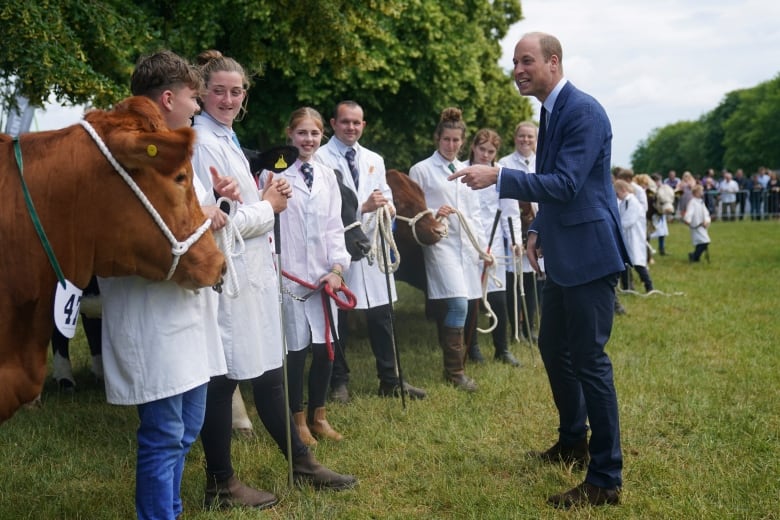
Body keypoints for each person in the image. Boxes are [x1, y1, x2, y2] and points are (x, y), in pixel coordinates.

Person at [450, 32, 627, 508]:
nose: (517, 70)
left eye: (526, 61)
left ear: (553, 61)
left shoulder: (582, 111)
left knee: (590, 361)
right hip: (562, 252)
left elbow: (568, 183)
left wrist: (499, 177)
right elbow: (560, 185)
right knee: (552, 345)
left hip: (589, 255)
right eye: (515, 62)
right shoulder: (551, 112)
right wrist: (538, 229)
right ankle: (573, 440)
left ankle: (605, 478)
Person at [191, 51, 356, 509]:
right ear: (202, 93)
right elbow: (213, 222)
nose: (227, 98)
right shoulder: (203, 142)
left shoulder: (225, 136)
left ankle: (300, 462)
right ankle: (220, 483)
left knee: (267, 373)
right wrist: (269, 206)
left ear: (245, 96)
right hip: (231, 278)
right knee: (224, 380)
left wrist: (266, 197)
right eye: (218, 90)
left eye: (236, 91)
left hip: (253, 276)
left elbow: (237, 206)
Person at [98, 49, 236, 520]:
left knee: (186, 428)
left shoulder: (168, 148)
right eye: (195, 99)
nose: (199, 108)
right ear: (169, 97)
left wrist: (216, 206)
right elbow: (152, 232)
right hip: (152, 314)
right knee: (163, 431)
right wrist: (207, 220)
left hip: (188, 315)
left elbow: (184, 216)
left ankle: (169, 511)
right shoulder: (128, 154)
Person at [315, 100, 426, 401]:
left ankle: (390, 380)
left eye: (357, 122)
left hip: (374, 247)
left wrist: (386, 207)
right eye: (345, 122)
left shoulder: (374, 159)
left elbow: (386, 196)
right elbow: (322, 205)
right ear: (333, 123)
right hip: (340, 247)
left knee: (382, 315)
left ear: (363, 125)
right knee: (338, 315)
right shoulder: (321, 158)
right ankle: (339, 382)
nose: (351, 127)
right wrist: (363, 208)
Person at [260, 107, 352, 447]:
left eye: (314, 134)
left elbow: (334, 226)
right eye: (302, 133)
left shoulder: (327, 176)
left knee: (326, 348)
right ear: (290, 134)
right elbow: (266, 222)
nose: (308, 140)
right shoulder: (274, 174)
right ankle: (297, 419)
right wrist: (272, 266)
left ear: (321, 136)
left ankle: (319, 415)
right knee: (296, 351)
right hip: (290, 278)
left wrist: (338, 269)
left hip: (324, 279)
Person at [410, 107, 488, 392]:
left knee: (468, 304)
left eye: (456, 141)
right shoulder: (422, 170)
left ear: (462, 142)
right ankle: (455, 373)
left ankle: (458, 365)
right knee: (457, 302)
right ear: (437, 138)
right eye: (447, 140)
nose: (451, 145)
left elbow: (475, 212)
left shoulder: (466, 170)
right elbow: (411, 210)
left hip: (467, 247)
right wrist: (433, 211)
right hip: (440, 244)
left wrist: (482, 248)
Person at [465, 128, 521, 366]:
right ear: (473, 148)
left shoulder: (501, 176)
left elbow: (510, 212)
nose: (486, 155)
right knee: (472, 297)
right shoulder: (462, 171)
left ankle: (502, 348)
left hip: (495, 240)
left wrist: (516, 240)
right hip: (469, 241)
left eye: (491, 151)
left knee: (498, 297)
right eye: (482, 149)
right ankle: (472, 348)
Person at [497, 121, 544, 341]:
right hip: (514, 230)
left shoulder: (543, 162)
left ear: (536, 139)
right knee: (515, 281)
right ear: (515, 138)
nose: (526, 140)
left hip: (538, 228)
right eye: (522, 136)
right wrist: (514, 237)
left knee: (533, 280)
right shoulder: (504, 164)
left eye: (530, 137)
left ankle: (531, 328)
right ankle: (516, 328)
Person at [615, 180, 654, 292]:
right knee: (625, 263)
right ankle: (627, 287)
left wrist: (616, 228)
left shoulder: (633, 202)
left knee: (638, 263)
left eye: (617, 194)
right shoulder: (624, 202)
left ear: (623, 190)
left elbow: (628, 221)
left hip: (634, 237)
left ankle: (649, 287)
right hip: (627, 237)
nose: (617, 196)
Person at [683, 184, 711, 262]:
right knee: (705, 241)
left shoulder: (701, 202)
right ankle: (694, 256)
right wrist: (687, 220)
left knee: (701, 242)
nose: (702, 193)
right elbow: (689, 212)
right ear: (695, 193)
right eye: (700, 191)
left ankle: (695, 256)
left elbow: (706, 213)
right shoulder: (692, 202)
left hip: (702, 225)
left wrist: (706, 221)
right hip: (696, 225)